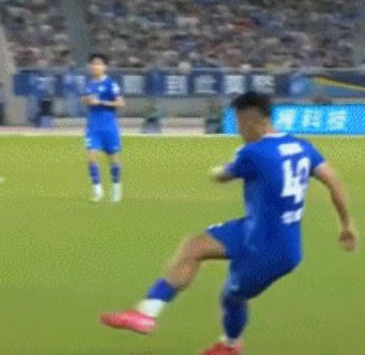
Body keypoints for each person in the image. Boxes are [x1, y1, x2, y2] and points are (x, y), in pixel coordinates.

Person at [99, 91, 357, 355]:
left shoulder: (253, 152)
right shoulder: (302, 147)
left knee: (232, 296)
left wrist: (216, 171)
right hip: (258, 230)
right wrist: (346, 225)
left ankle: (231, 346)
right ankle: (146, 313)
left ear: (249, 122)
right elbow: (333, 181)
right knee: (195, 246)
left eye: (239, 125)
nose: (239, 132)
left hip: (271, 250)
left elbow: (223, 176)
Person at [82, 54, 125, 203]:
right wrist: (87, 100)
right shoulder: (89, 84)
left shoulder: (111, 84)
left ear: (104, 67)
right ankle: (97, 190)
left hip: (108, 125)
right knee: (91, 157)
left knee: (112, 158)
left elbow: (120, 103)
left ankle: (116, 185)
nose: (95, 67)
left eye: (98, 64)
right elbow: (86, 99)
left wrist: (101, 102)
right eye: (93, 64)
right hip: (93, 125)